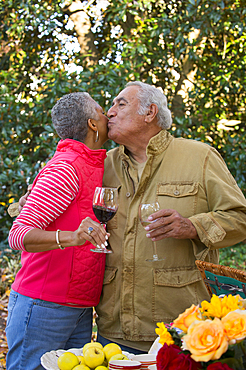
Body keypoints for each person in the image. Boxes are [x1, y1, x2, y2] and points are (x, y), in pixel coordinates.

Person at [17, 82, 246, 354]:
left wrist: (193, 226)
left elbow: (239, 218)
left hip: (183, 328)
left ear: (150, 112)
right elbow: (56, 200)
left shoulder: (200, 157)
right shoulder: (101, 163)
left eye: (120, 104)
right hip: (114, 332)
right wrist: (26, 203)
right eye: (109, 106)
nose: (109, 113)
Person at [6, 92, 110, 370]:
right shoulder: (65, 169)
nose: (108, 115)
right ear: (92, 124)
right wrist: (72, 237)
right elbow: (18, 235)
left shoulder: (97, 164)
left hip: (79, 305)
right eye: (102, 111)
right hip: (43, 305)